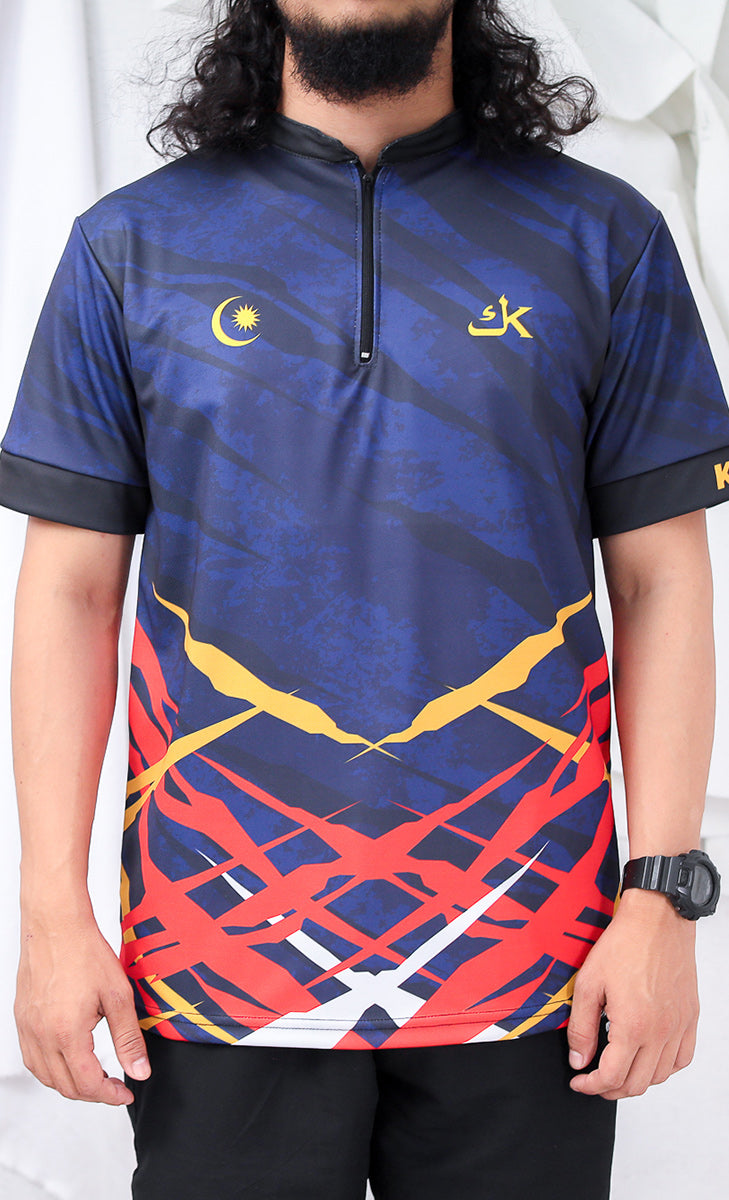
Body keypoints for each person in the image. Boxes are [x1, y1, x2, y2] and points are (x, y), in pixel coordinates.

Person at [1, 0, 727, 1196]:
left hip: (537, 967)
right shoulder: (129, 249)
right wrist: (47, 915)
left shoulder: (604, 239)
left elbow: (663, 582)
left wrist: (664, 899)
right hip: (214, 966)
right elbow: (69, 593)